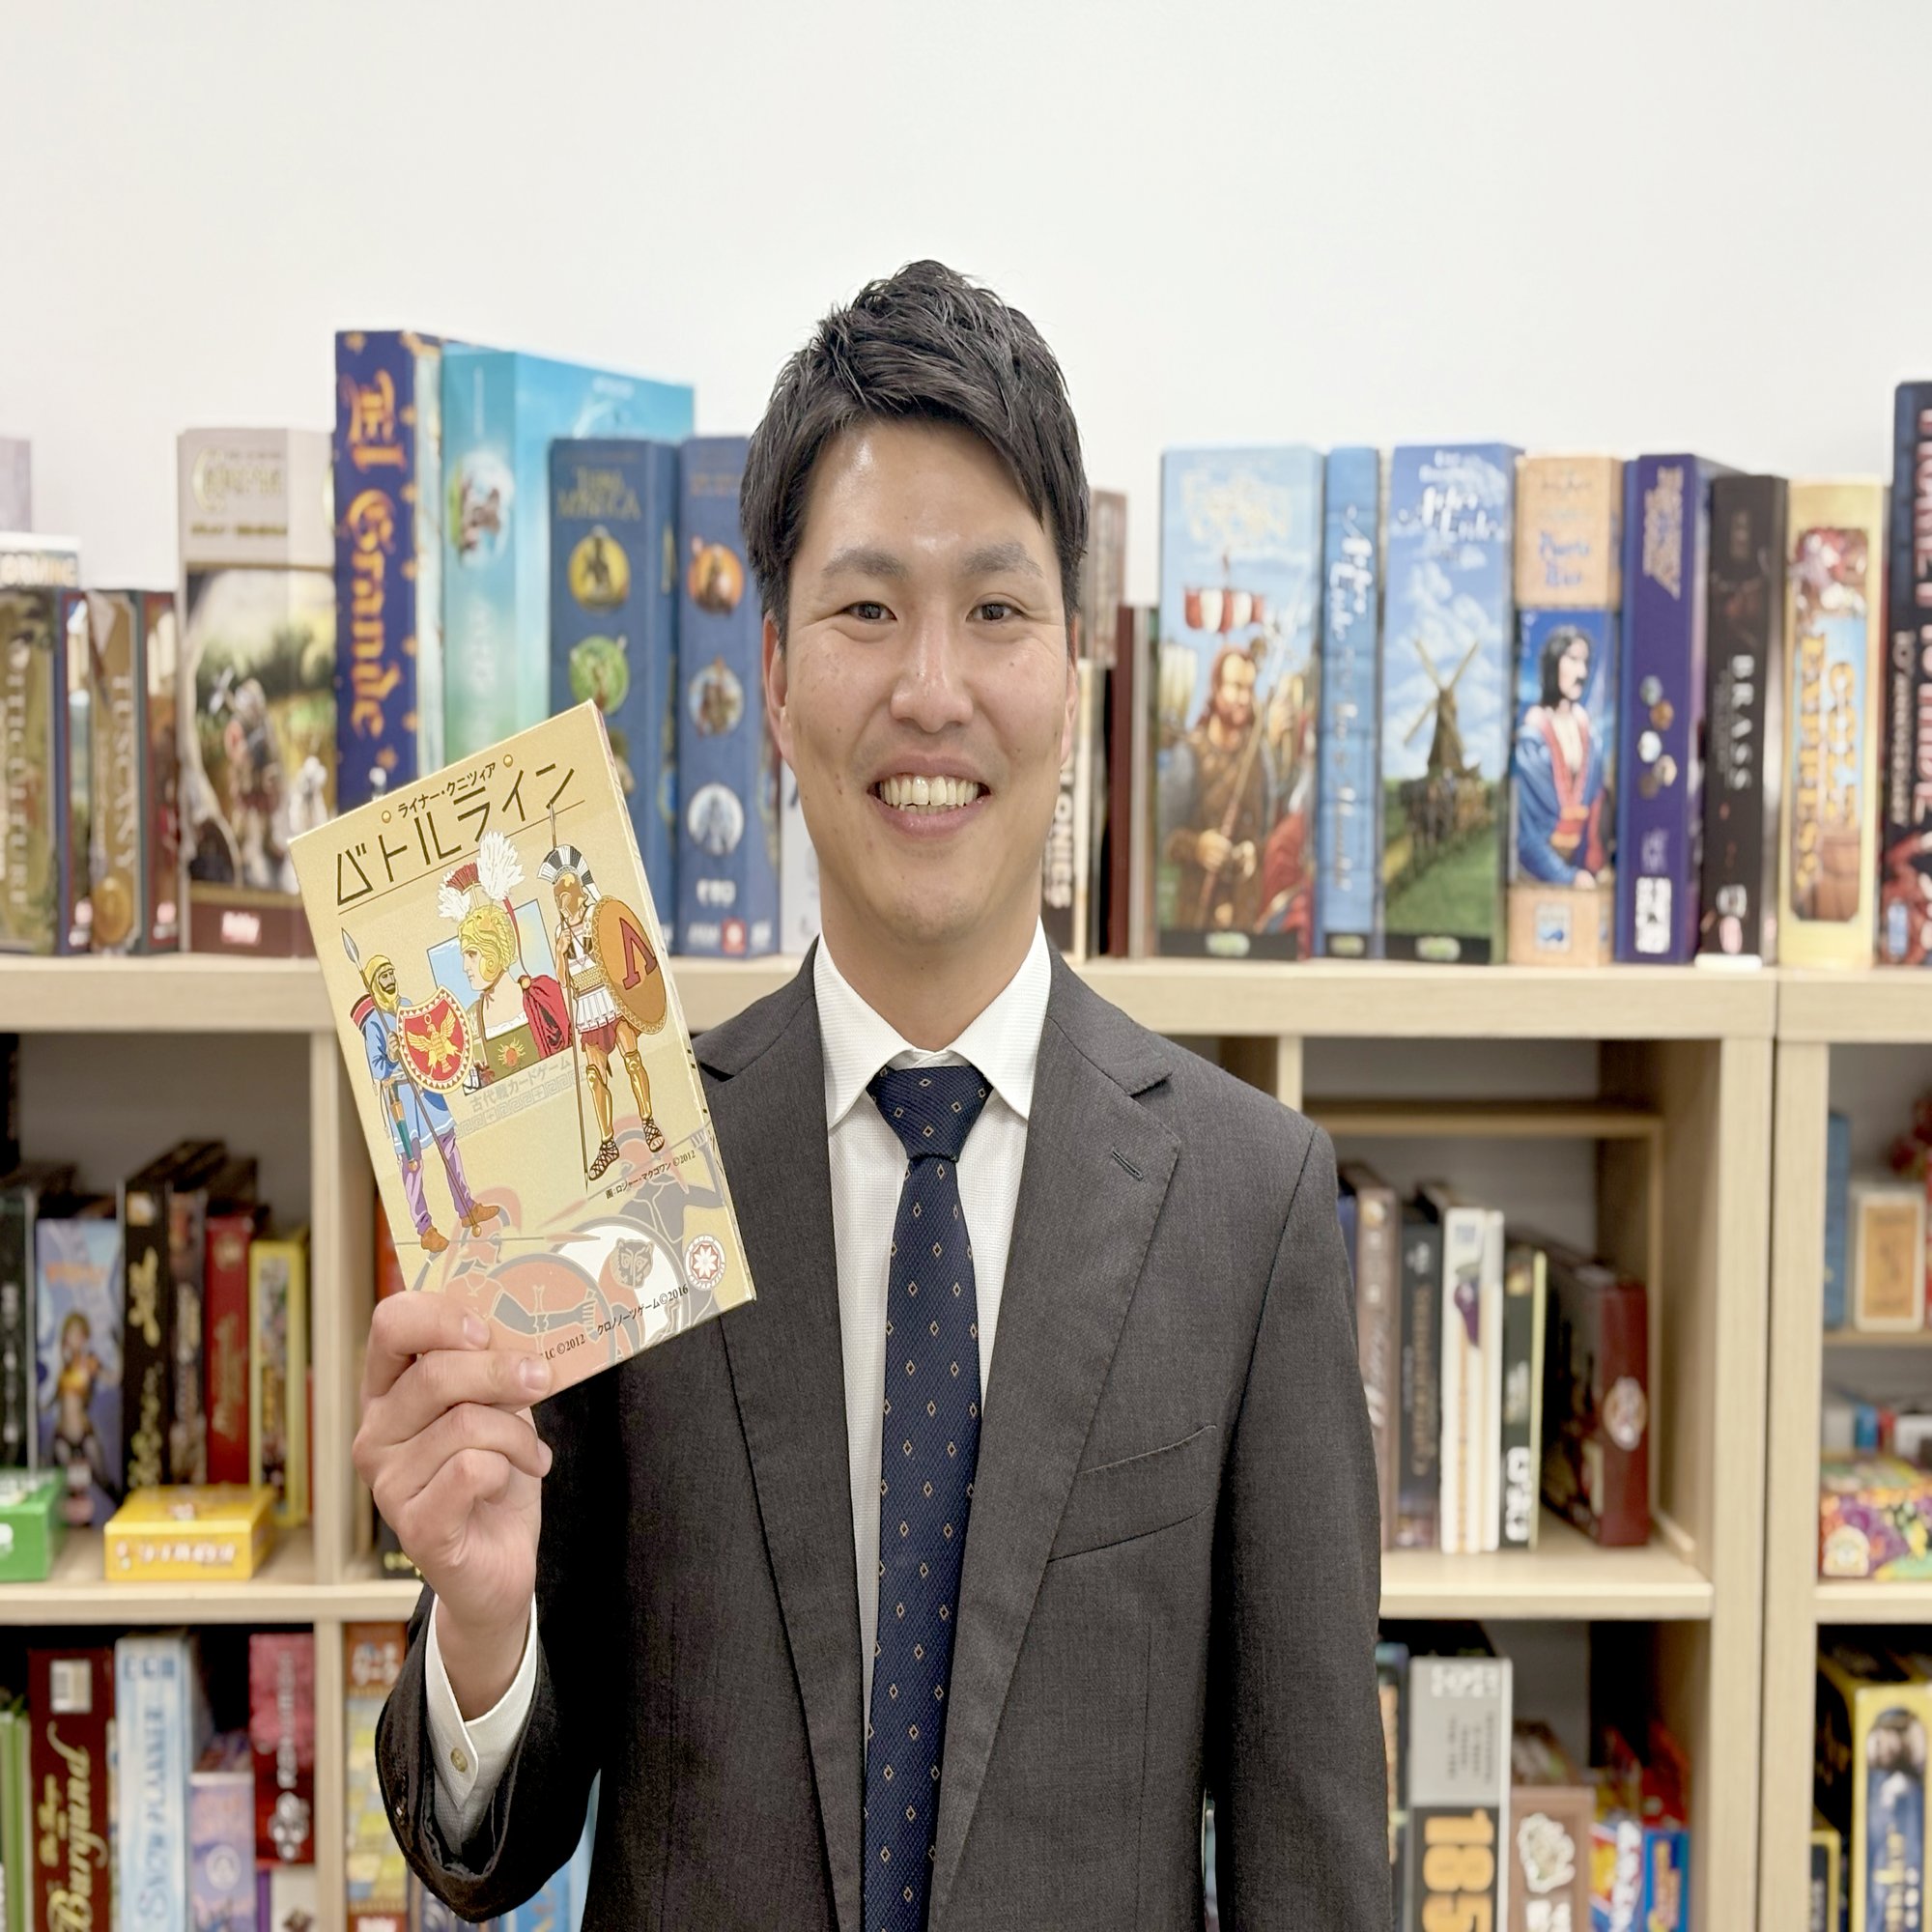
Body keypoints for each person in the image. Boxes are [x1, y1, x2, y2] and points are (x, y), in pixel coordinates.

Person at [361, 260, 1386, 1929]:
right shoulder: (623, 1166)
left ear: (1075, 673)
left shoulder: (1247, 1202)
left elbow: (1315, 1856)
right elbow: (491, 1852)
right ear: (773, 678)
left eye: (996, 610)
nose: (931, 690)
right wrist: (480, 1624)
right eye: (865, 611)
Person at [1515, 623, 1607, 886]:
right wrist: (1567, 877)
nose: (1582, 672)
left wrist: (1593, 866)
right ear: (1554, 662)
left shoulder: (1590, 736)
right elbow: (1527, 834)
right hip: (1536, 874)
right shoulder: (1532, 739)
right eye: (1573, 659)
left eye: (1585, 662)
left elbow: (1596, 811)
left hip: (1581, 870)